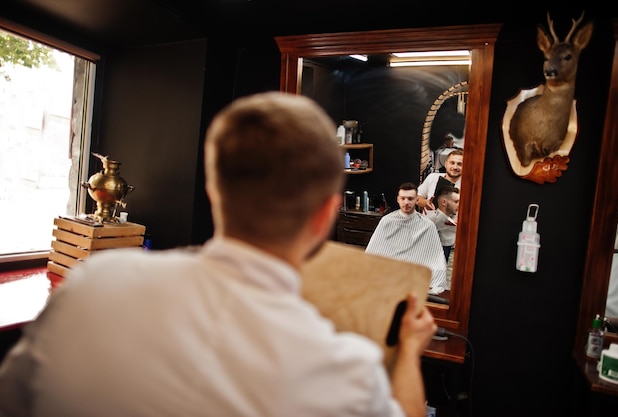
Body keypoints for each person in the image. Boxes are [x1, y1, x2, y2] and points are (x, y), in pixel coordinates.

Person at [0, 92, 437, 417]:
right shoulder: (350, 378)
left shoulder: (94, 284)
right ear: (326, 214)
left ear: (213, 191)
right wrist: (410, 352)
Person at [365, 182, 448, 291]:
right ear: (398, 199)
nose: (406, 202)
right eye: (403, 198)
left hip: (415, 277)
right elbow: (372, 252)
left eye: (410, 199)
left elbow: (436, 258)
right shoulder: (387, 221)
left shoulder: (428, 226)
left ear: (416, 200)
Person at [425, 185, 460, 290]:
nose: (459, 205)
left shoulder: (452, 221)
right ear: (444, 202)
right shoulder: (432, 222)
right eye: (456, 202)